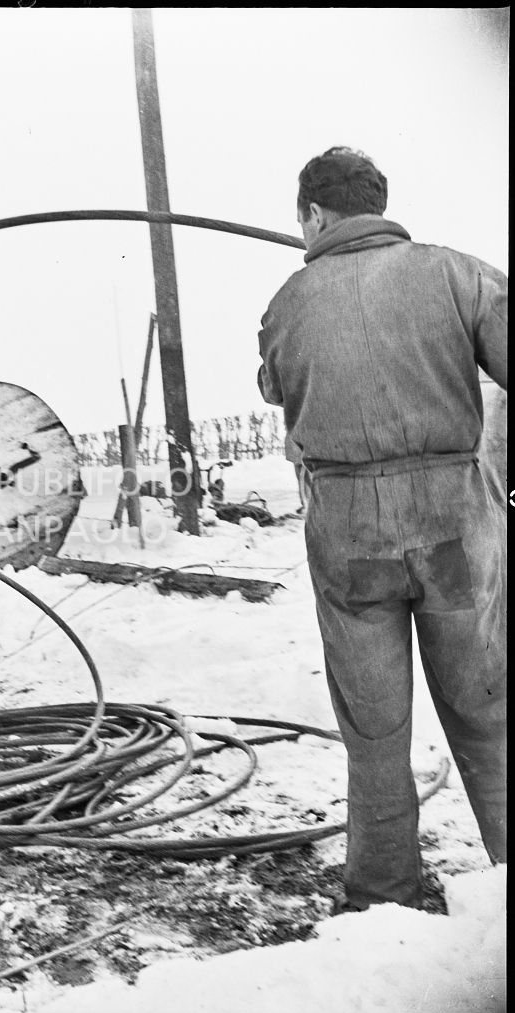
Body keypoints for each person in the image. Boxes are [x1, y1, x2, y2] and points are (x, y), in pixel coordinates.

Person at [257, 147, 507, 912]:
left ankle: (381, 896)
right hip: (453, 527)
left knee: (374, 731)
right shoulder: (458, 273)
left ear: (314, 215)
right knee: (488, 713)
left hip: (347, 531)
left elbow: (274, 384)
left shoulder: (288, 300)